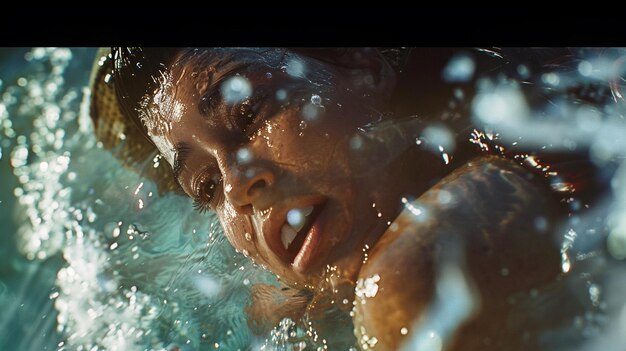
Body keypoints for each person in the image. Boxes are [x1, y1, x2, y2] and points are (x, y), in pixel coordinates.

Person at [90, 47, 605, 350]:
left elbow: (407, 288)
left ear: (361, 61)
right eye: (204, 188)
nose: (234, 186)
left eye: (247, 112)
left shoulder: (536, 121)